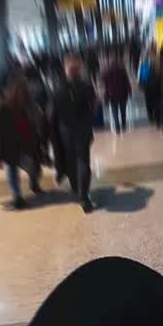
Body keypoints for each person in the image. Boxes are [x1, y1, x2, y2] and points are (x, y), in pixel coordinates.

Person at [0, 76, 45, 210]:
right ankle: (33, 185)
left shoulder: (4, 106)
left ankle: (17, 195)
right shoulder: (31, 106)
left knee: (12, 169)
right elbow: (39, 125)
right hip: (27, 144)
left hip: (11, 146)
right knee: (32, 165)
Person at [54, 57, 99, 212]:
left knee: (71, 159)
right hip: (83, 128)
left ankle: (75, 187)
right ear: (79, 70)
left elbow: (54, 110)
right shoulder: (87, 86)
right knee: (83, 161)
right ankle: (84, 196)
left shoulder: (58, 87)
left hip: (66, 129)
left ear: (66, 70)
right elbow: (94, 107)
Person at [100, 54, 132, 133]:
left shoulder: (106, 73)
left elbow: (103, 84)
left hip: (111, 94)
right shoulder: (122, 71)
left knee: (114, 111)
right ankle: (124, 124)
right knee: (123, 110)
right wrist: (129, 91)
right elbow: (127, 82)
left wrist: (105, 95)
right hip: (123, 93)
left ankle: (117, 126)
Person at [139, 49, 162, 127]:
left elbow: (142, 78)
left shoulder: (145, 65)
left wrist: (141, 85)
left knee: (149, 102)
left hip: (148, 87)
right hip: (157, 86)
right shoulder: (159, 65)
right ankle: (158, 117)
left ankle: (151, 117)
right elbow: (162, 76)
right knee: (157, 102)